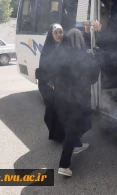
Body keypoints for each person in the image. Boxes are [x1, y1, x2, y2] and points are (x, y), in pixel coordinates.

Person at [46, 23, 101, 177]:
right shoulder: (83, 55)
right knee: (72, 129)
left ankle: (78, 145)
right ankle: (64, 165)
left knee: (73, 127)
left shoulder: (58, 53)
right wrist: (96, 35)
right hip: (77, 100)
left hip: (61, 99)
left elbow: (50, 72)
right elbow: (96, 57)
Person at [38, 23, 66, 143]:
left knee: (64, 111)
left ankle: (65, 135)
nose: (59, 35)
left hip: (62, 84)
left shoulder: (65, 46)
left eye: (61, 32)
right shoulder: (48, 49)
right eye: (56, 33)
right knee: (52, 111)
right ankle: (56, 134)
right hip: (50, 86)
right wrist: (51, 83)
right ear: (51, 34)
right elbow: (44, 68)